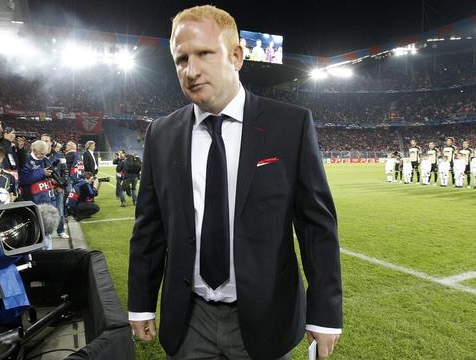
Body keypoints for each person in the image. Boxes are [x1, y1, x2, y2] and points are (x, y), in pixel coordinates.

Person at [128, 6, 342, 360]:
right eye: (181, 59)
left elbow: (317, 227)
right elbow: (149, 228)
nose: (191, 70)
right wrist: (141, 304)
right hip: (189, 319)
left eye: (204, 54)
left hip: (265, 316)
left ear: (237, 56)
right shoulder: (162, 133)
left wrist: (325, 313)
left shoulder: (290, 125)